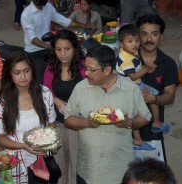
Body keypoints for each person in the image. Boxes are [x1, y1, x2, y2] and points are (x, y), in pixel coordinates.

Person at [64, 45, 152, 184]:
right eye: (86, 68)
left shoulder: (130, 89)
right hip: (88, 169)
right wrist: (86, 123)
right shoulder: (81, 88)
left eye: (92, 70)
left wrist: (129, 123)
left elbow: (145, 117)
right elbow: (68, 119)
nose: (86, 73)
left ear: (107, 70)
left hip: (119, 169)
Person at [0, 50, 56, 183]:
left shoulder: (45, 94)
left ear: (32, 71)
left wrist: (47, 143)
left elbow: (51, 124)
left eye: (26, 71)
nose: (23, 76)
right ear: (9, 75)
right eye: (17, 73)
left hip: (42, 161)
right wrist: (23, 146)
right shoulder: (3, 102)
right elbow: (0, 138)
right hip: (16, 163)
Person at [21, 0, 94, 83]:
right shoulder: (26, 14)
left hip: (49, 47)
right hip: (34, 52)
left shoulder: (48, 7)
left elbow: (63, 21)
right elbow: (32, 39)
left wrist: (84, 25)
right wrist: (53, 48)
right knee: (41, 78)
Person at [116, 24, 170, 151]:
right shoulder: (126, 60)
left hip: (130, 85)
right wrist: (147, 69)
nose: (134, 44)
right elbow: (133, 76)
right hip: (131, 87)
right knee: (153, 97)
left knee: (134, 113)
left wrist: (147, 68)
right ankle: (155, 124)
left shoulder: (129, 53)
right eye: (130, 41)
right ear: (121, 43)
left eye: (136, 40)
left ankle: (138, 139)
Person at [43, 29, 85, 184]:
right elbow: (45, 91)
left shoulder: (83, 67)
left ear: (75, 48)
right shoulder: (50, 68)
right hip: (58, 125)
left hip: (79, 126)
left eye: (67, 49)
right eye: (58, 49)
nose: (63, 54)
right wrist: (57, 100)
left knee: (77, 166)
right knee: (60, 167)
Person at [135, 14, 179, 162]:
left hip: (151, 133)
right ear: (138, 36)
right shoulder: (127, 61)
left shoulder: (168, 63)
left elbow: (169, 96)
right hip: (124, 130)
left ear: (161, 37)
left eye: (154, 34)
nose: (149, 39)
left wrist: (152, 98)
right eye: (144, 34)